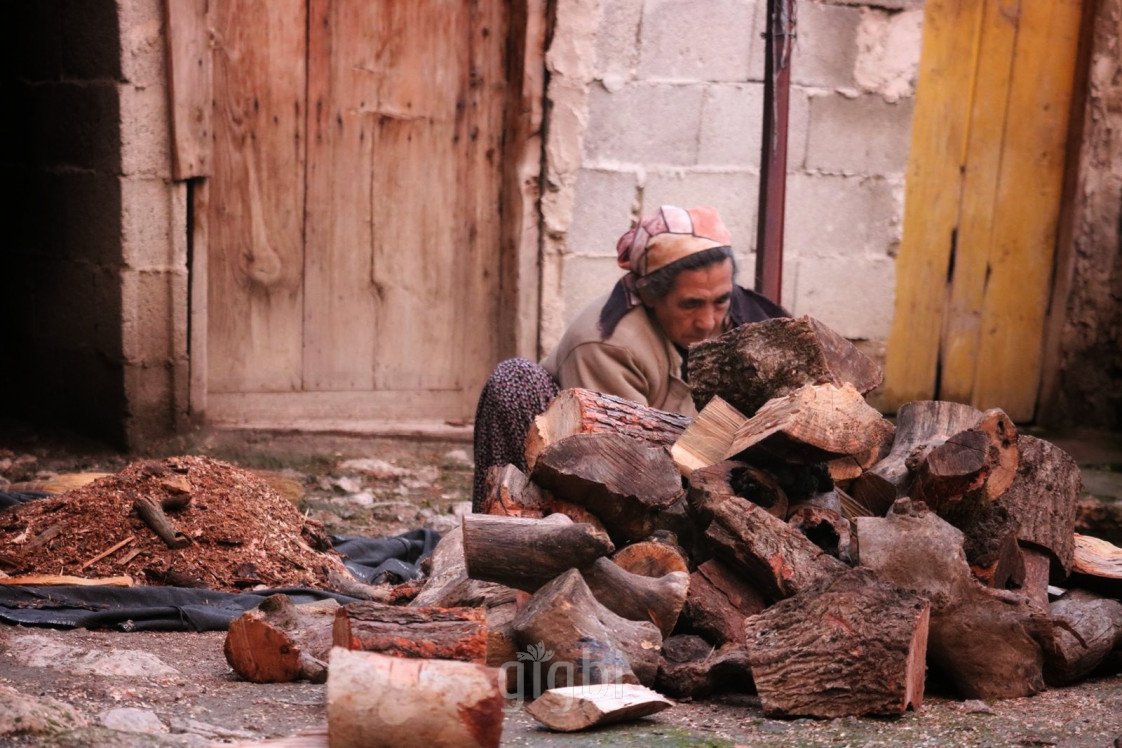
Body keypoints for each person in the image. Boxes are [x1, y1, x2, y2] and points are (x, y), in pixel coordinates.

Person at [471, 205, 788, 510]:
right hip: (600, 482)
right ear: (651, 295)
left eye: (720, 301)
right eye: (690, 304)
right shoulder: (607, 345)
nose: (707, 321)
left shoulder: (743, 319)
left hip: (699, 472)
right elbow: (623, 467)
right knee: (514, 378)